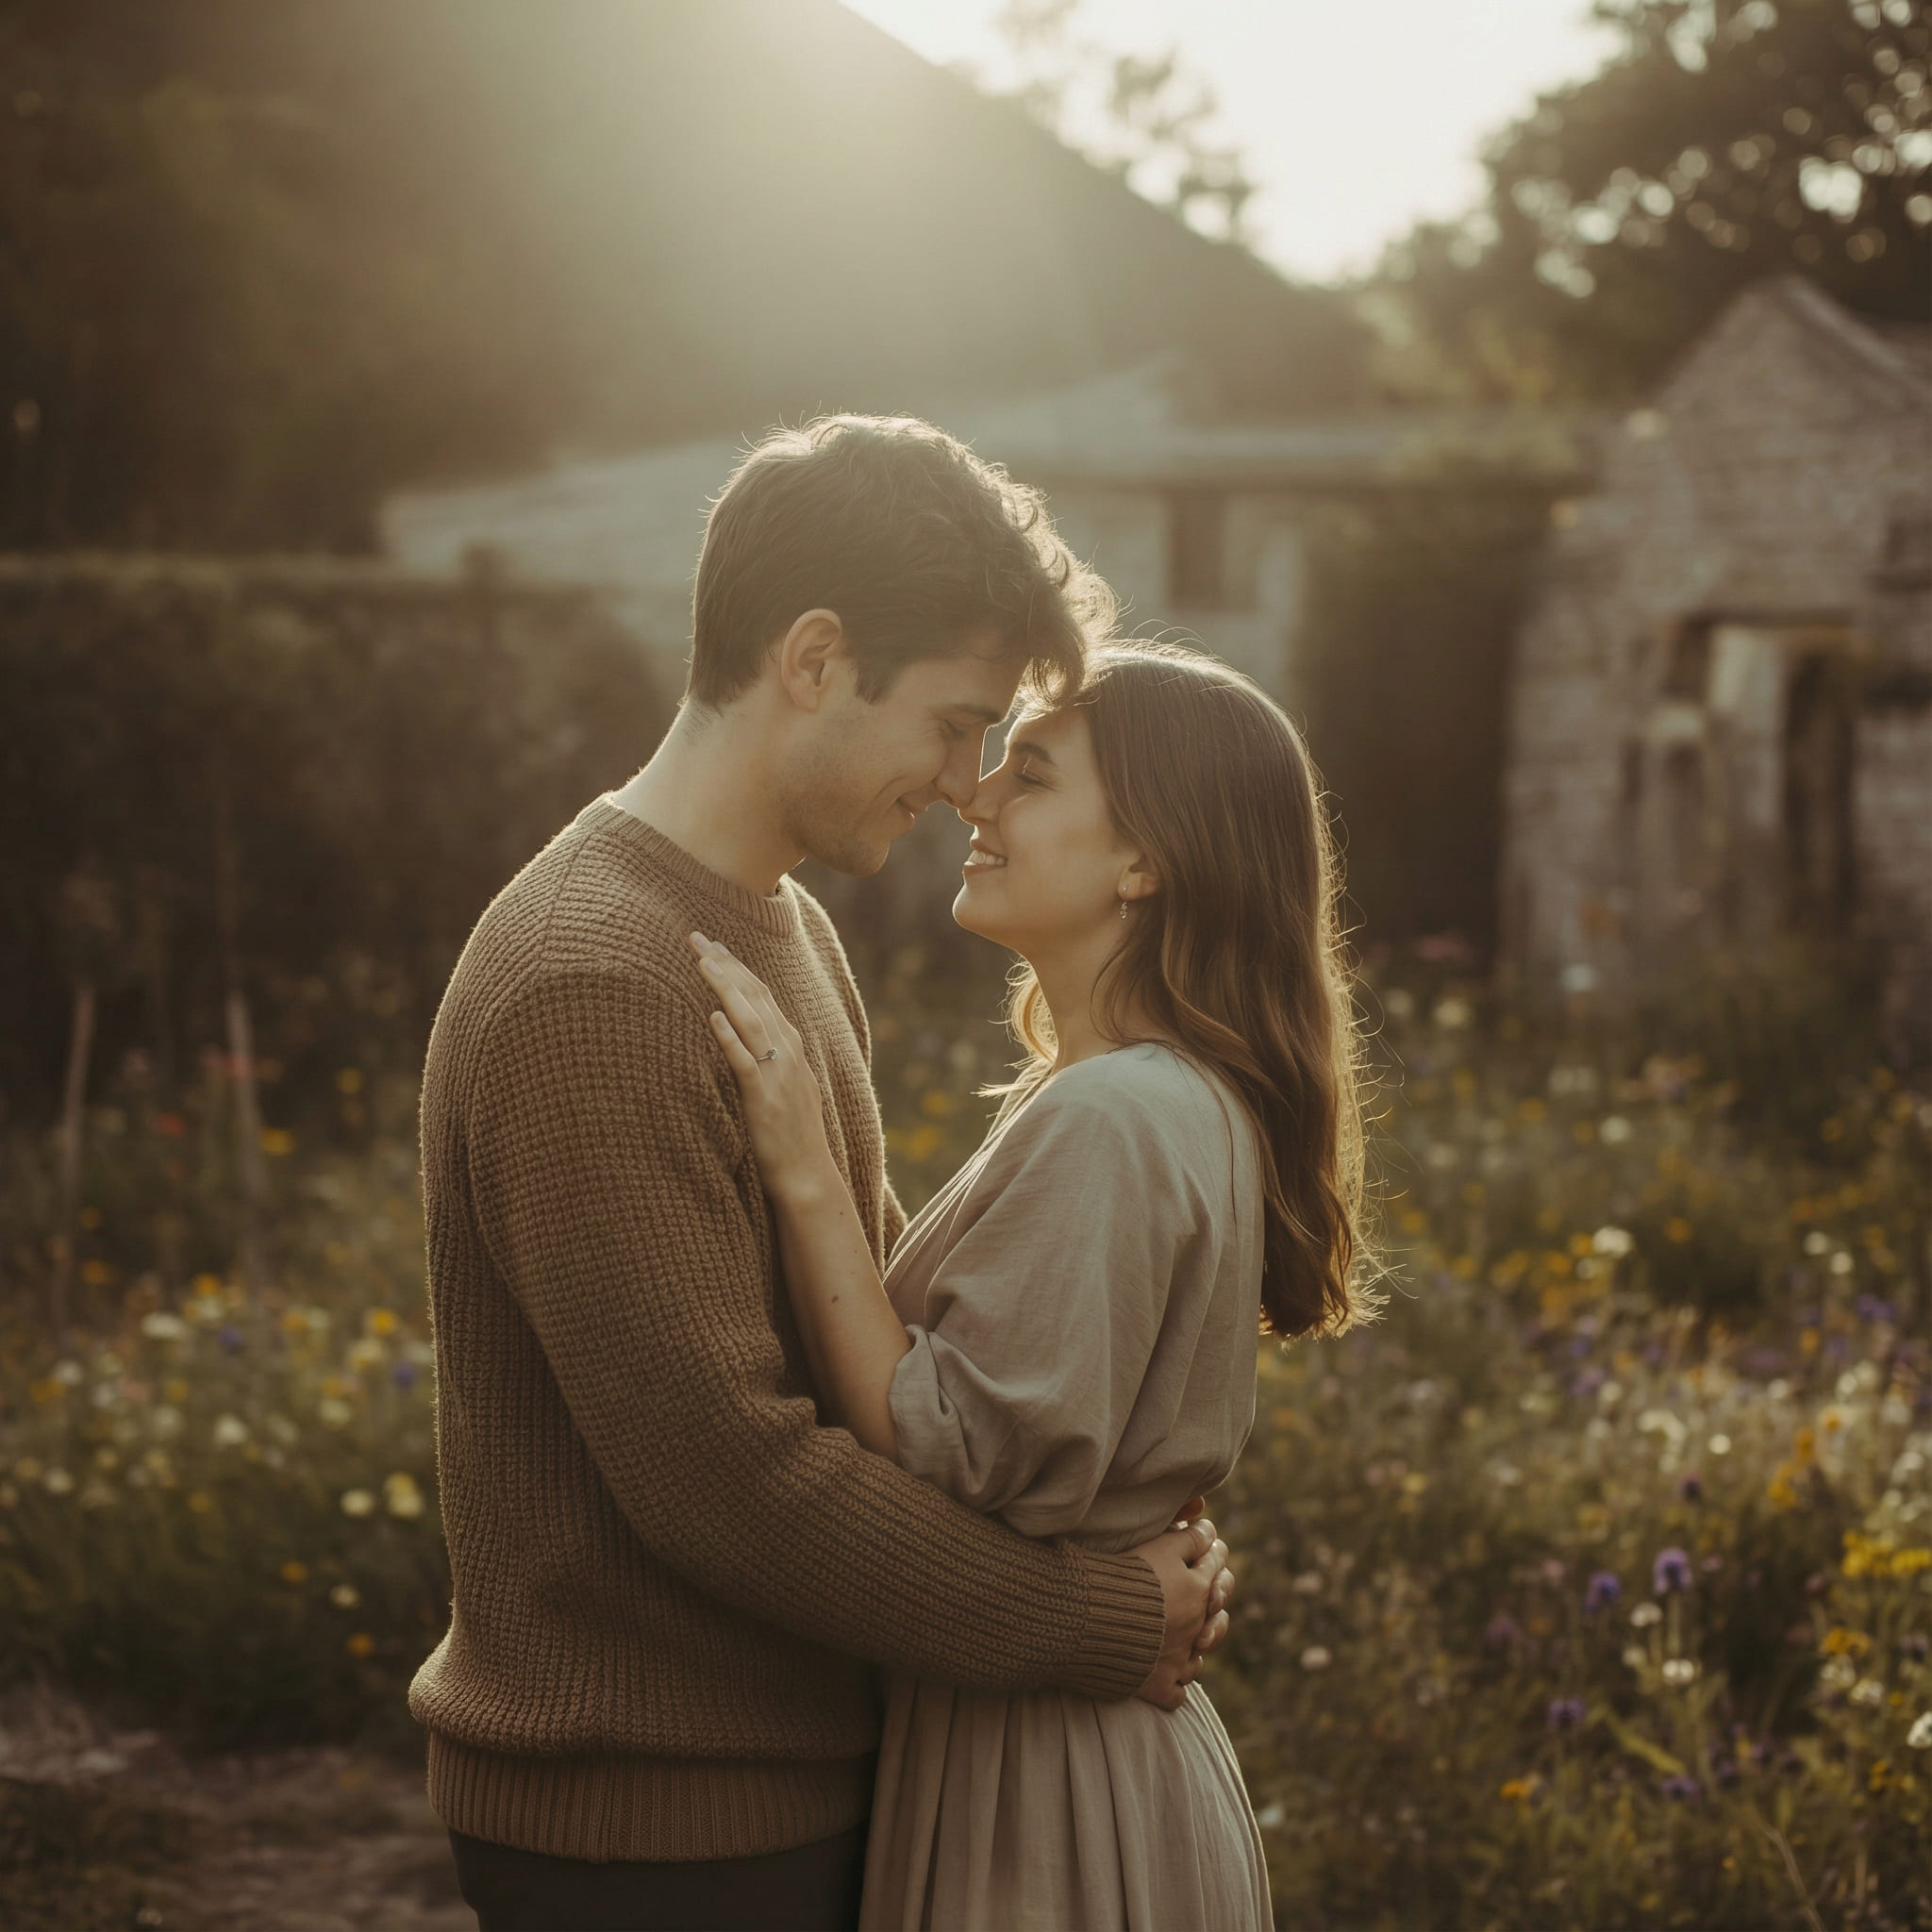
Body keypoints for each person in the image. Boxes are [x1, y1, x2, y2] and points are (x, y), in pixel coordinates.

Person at [410, 417, 1235, 1932]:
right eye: (951, 721)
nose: (963, 783)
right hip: (653, 1828)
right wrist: (1096, 1622)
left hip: (782, 1788)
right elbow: (736, 1486)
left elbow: (879, 1347)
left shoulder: (775, 922)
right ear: (812, 658)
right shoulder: (592, 982)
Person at [697, 639, 1376, 1931]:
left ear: (1145, 861)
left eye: (1035, 775)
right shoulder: (1132, 1093)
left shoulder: (1117, 1115)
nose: (978, 796)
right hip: (1065, 1755)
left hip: (1052, 1796)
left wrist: (800, 1168)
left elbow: (944, 1442)